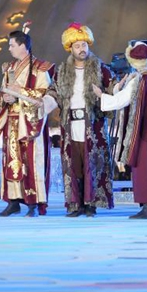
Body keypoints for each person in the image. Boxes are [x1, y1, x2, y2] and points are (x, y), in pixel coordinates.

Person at [93, 41, 147, 219]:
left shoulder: (138, 80)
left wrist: (101, 96)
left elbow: (121, 101)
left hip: (142, 130)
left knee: (144, 166)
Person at [0, 27, 54, 217]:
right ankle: (13, 200)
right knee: (12, 161)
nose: (9, 49)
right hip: (12, 121)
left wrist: (19, 94)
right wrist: (6, 99)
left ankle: (34, 202)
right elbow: (4, 92)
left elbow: (44, 95)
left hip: (30, 123)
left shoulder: (41, 68)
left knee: (31, 161)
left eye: (12, 45)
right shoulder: (9, 68)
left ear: (23, 46)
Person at [49, 22, 115, 217]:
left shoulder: (101, 69)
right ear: (70, 48)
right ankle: (75, 204)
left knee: (92, 163)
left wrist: (106, 92)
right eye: (77, 46)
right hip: (70, 124)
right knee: (73, 164)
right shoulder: (61, 72)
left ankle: (91, 204)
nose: (81, 49)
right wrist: (43, 103)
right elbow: (53, 92)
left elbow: (111, 92)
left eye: (84, 45)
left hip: (92, 124)